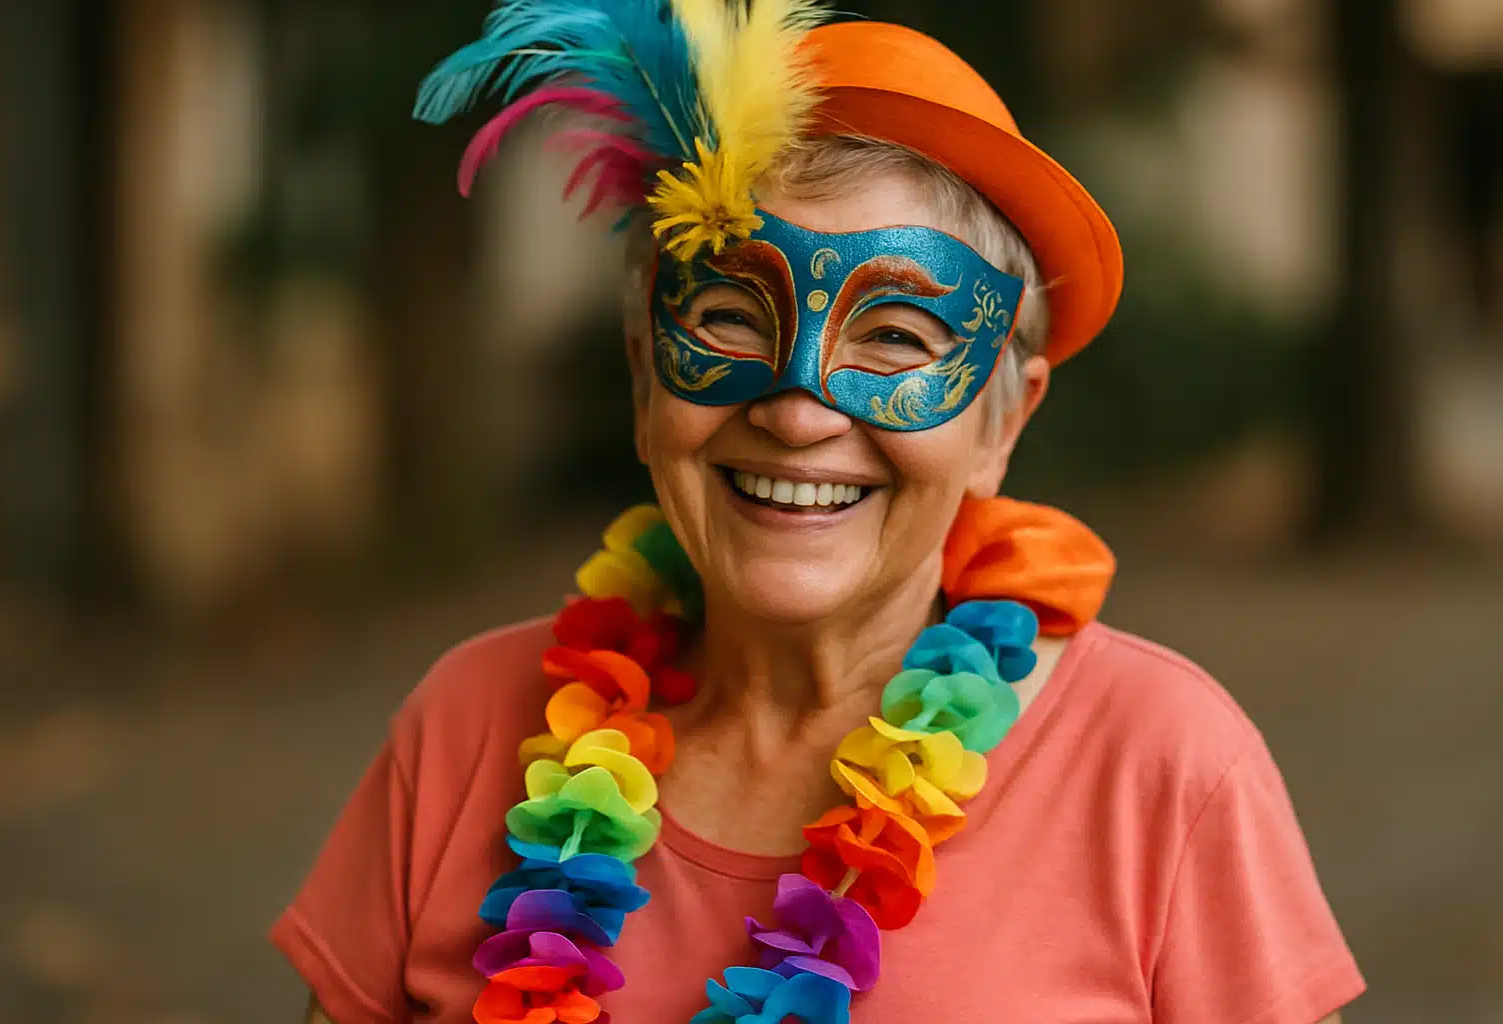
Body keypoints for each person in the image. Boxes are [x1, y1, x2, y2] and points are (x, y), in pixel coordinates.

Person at [272, 3, 1365, 1022]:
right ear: (647, 375)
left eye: (897, 336)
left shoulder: (1163, 771)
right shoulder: (463, 730)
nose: (798, 413)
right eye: (731, 315)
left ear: (1002, 422)